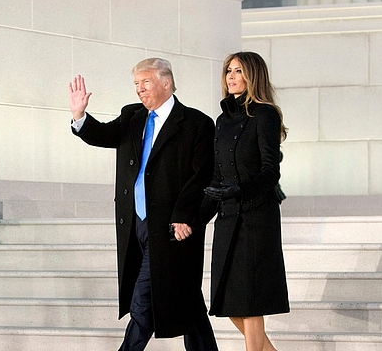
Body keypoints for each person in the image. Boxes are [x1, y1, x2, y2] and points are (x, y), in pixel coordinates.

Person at [69, 58, 218, 351]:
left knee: (143, 301)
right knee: (188, 300)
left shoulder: (196, 123)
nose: (139, 89)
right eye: (136, 84)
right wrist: (79, 115)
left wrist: (186, 217)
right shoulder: (132, 116)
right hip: (134, 224)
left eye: (145, 82)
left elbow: (203, 177)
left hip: (172, 227)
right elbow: (103, 135)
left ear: (166, 82)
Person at [202, 51, 290, 351]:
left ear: (252, 76)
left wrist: (238, 190)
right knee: (228, 302)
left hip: (256, 218)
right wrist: (191, 219)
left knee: (251, 302)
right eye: (228, 70)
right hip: (228, 219)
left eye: (238, 71)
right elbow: (215, 177)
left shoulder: (265, 114)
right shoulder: (222, 119)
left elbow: (270, 173)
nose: (231, 76)